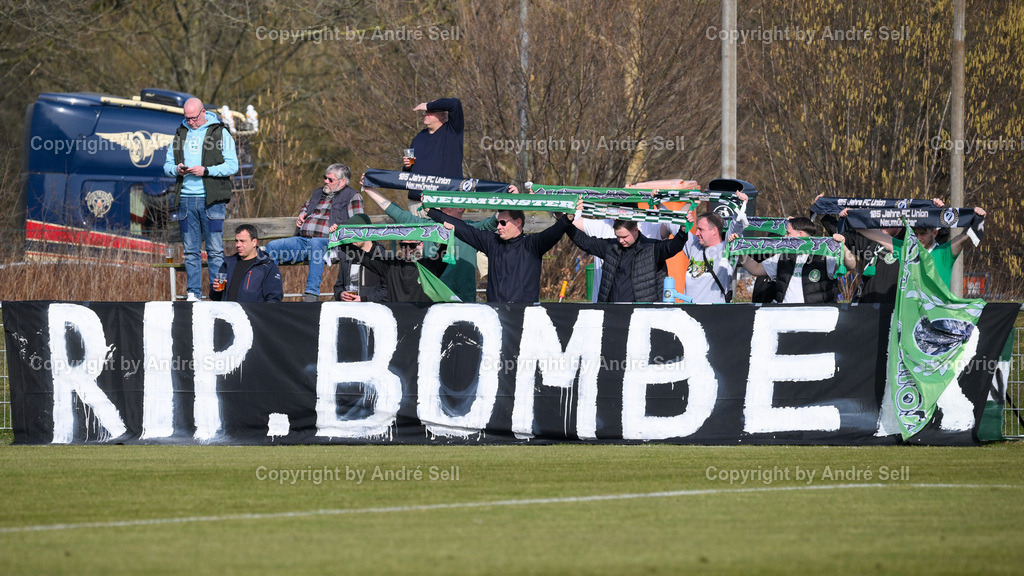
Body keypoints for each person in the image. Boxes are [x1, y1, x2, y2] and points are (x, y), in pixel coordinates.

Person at [357, 175, 498, 302]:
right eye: (441, 200)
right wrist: (370, 190)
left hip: (463, 301)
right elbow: (398, 214)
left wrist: (511, 200)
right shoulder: (428, 227)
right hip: (433, 301)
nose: (442, 205)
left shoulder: (472, 229)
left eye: (447, 201)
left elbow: (495, 221)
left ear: (460, 207)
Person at [162, 97, 239, 301]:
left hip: (212, 201)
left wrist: (206, 171)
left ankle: (219, 294)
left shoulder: (220, 132)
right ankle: (193, 293)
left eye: (194, 118)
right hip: (186, 200)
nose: (191, 122)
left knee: (215, 251)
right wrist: (175, 169)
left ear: (203, 112)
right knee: (190, 251)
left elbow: (232, 166)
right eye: (187, 118)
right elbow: (167, 164)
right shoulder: (180, 133)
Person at [427, 207, 572, 303]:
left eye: (503, 223)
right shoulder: (492, 242)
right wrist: (432, 212)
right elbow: (465, 230)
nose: (498, 227)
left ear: (518, 222)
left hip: (524, 316)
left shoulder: (532, 245)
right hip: (495, 315)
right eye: (498, 223)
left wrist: (567, 219)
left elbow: (553, 234)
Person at [264, 164, 363, 302]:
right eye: (325, 178)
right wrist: (302, 214)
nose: (325, 181)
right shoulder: (318, 193)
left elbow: (358, 224)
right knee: (272, 247)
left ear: (342, 182)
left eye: (330, 180)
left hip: (330, 244)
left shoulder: (353, 196)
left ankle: (311, 296)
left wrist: (340, 228)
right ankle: (271, 295)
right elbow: (306, 206)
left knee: (316, 243)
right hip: (303, 241)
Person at [848, 200, 986, 290]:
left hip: (935, 319)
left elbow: (964, 237)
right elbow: (876, 235)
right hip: (911, 321)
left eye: (923, 233)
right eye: (915, 234)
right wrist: (852, 218)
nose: (918, 238)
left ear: (935, 233)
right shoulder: (907, 250)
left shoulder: (944, 253)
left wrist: (977, 217)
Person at [566, 214, 688, 303]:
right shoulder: (611, 247)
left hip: (641, 314)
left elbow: (673, 246)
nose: (621, 241)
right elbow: (584, 242)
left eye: (624, 237)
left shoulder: (652, 248)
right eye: (617, 237)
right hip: (612, 310)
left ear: (635, 230)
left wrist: (683, 231)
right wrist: (564, 221)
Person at [735, 217, 856, 304]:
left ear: (801, 234)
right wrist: (739, 250)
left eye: (788, 233)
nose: (784, 237)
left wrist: (843, 246)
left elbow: (851, 265)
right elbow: (755, 269)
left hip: (816, 319)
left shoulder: (825, 254)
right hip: (786, 317)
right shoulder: (783, 255)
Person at [338, 223, 457, 303]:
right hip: (397, 322)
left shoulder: (431, 266)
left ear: (421, 245)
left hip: (423, 323)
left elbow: (445, 251)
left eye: (412, 245)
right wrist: (339, 237)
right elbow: (362, 257)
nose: (408, 249)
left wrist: (449, 231)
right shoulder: (391, 266)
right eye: (404, 245)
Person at [682, 192, 748, 303]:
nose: (696, 233)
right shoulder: (694, 245)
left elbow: (737, 225)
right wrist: (689, 203)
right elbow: (674, 222)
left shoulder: (726, 248)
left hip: (714, 314)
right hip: (688, 314)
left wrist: (742, 204)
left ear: (714, 231)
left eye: (701, 229)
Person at [404, 97, 464, 203]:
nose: (426, 114)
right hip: (416, 202)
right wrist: (407, 166)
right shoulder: (418, 138)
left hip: (443, 200)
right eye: (426, 112)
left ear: (443, 115)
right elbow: (408, 172)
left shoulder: (453, 131)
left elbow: (455, 103)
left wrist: (428, 105)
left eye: (431, 112)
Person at [211, 224, 283, 302]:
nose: (238, 245)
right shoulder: (228, 264)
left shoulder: (267, 266)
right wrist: (216, 291)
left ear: (254, 242)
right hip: (227, 313)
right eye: (236, 241)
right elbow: (215, 298)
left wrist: (259, 313)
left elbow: (274, 299)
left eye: (242, 241)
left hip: (252, 313)